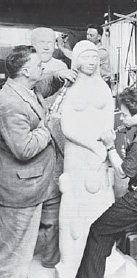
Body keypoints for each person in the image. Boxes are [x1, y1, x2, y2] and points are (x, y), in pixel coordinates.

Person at [75, 88, 137, 278]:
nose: (121, 118)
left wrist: (109, 145)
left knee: (99, 231)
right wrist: (125, 129)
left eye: (124, 115)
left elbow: (122, 172)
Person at [0, 45, 76, 278]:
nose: (43, 66)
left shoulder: (28, 88)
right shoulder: (9, 103)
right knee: (15, 255)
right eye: (38, 65)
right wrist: (48, 125)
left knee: (47, 229)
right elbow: (24, 149)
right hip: (21, 189)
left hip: (41, 181)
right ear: (24, 70)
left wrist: (57, 76)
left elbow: (43, 85)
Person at [55, 40, 120, 278]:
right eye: (86, 57)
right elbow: (67, 126)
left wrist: (104, 145)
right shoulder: (70, 89)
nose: (91, 62)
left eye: (95, 58)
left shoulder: (103, 88)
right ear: (77, 59)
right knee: (76, 206)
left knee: (102, 201)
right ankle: (75, 259)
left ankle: (102, 257)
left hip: (100, 153)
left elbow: (108, 120)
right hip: (79, 153)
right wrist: (93, 146)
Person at [31, 26, 72, 269]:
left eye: (51, 41)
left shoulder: (61, 67)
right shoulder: (28, 68)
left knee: (52, 204)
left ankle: (49, 257)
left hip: (57, 142)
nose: (48, 46)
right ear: (32, 43)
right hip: (33, 143)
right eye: (42, 42)